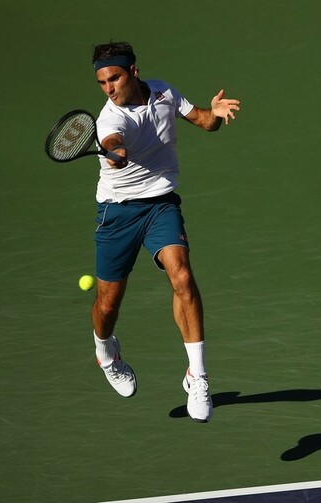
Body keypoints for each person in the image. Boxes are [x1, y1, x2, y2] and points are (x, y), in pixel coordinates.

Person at [89, 41, 240, 423]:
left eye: (115, 78)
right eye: (102, 82)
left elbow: (204, 121)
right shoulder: (110, 120)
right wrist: (115, 153)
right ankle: (106, 352)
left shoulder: (163, 92)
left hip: (160, 205)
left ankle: (197, 375)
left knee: (183, 277)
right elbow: (112, 143)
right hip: (118, 212)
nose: (109, 88)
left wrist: (215, 113)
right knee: (107, 305)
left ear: (133, 72)